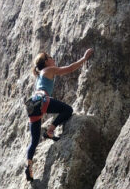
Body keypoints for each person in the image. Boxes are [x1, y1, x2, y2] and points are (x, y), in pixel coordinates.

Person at [25, 47, 94, 181]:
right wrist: (84, 58)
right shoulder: (49, 70)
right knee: (67, 110)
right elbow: (69, 68)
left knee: (33, 141)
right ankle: (50, 131)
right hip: (43, 101)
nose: (53, 58)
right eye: (50, 57)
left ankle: (28, 166)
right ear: (45, 62)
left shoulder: (39, 76)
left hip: (32, 105)